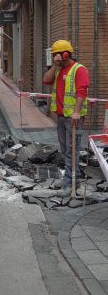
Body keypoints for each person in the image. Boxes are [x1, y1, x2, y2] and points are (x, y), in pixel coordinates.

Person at [43, 39, 90, 197]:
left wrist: (76, 112)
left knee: (72, 150)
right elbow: (46, 80)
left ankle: (70, 183)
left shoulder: (79, 69)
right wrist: (54, 65)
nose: (55, 58)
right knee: (65, 150)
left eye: (57, 56)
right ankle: (68, 178)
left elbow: (81, 92)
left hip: (73, 118)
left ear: (65, 54)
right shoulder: (58, 69)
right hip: (61, 117)